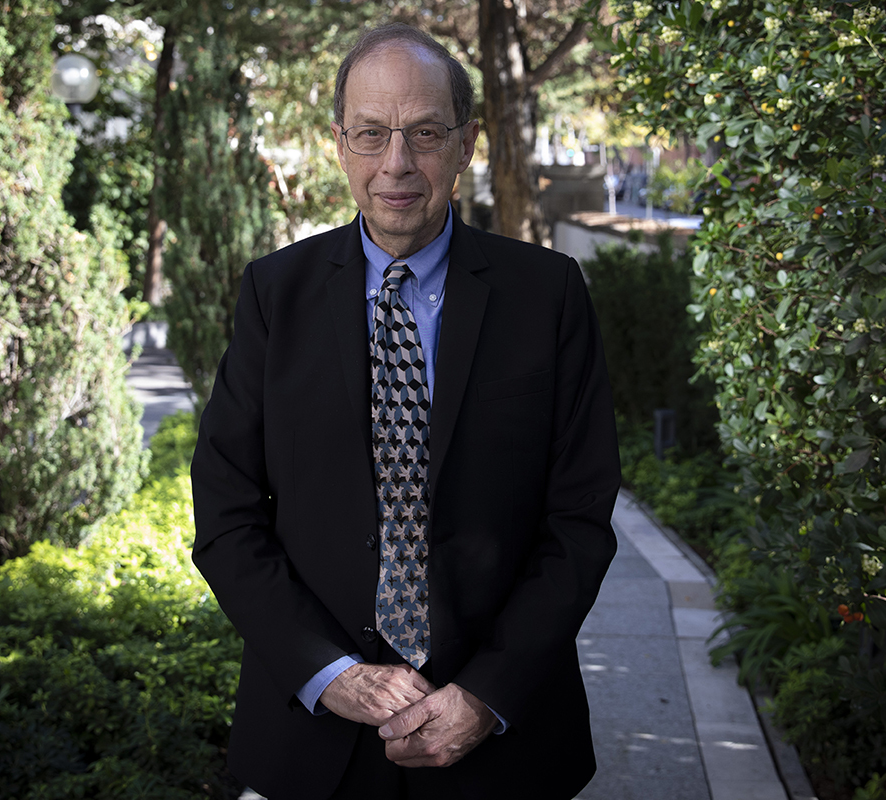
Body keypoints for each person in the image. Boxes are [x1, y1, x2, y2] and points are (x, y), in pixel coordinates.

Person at [190, 23, 620, 800]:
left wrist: (488, 695)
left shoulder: (547, 297)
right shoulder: (273, 296)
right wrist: (330, 673)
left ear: (466, 143)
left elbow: (580, 521)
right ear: (339, 144)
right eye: (371, 134)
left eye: (424, 133)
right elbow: (224, 513)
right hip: (312, 738)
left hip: (503, 745)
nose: (397, 164)